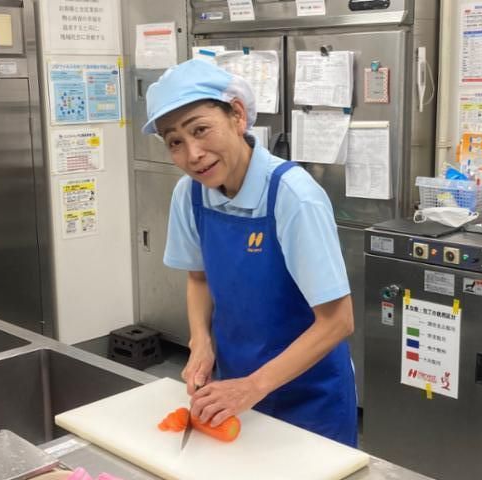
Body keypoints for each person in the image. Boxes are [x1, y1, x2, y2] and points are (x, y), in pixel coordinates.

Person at [141, 59, 357, 446]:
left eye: (200, 130)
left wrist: (253, 386)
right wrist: (200, 341)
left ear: (238, 116)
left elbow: (338, 322)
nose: (193, 154)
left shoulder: (293, 197)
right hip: (235, 390)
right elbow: (198, 278)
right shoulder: (190, 195)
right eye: (175, 142)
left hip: (311, 397)